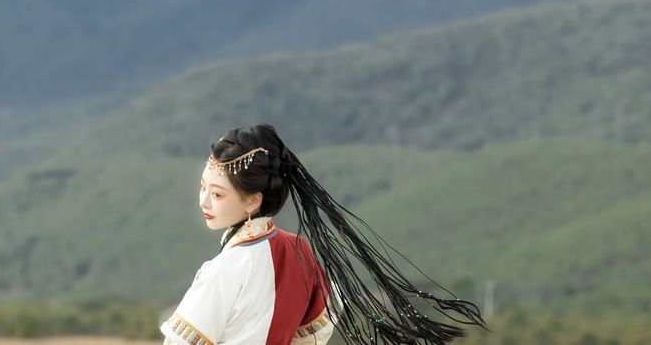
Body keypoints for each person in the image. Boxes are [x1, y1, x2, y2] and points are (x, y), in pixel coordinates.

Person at [160, 123, 489, 345]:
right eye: (203, 188)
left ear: (253, 200)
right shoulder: (299, 251)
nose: (204, 200)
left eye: (217, 194)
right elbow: (314, 333)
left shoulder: (224, 270)